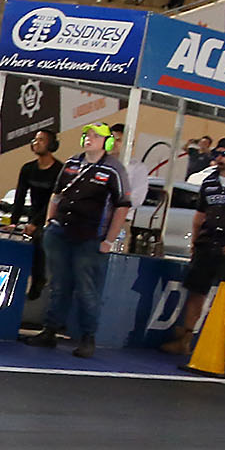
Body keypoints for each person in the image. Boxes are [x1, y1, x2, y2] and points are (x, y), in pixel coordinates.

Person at [28, 124, 133, 357]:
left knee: (87, 288)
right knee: (58, 284)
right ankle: (50, 330)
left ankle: (88, 336)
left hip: (91, 237)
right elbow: (57, 195)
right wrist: (49, 223)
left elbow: (122, 206)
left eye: (95, 136)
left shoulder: (114, 170)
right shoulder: (72, 163)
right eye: (87, 135)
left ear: (106, 142)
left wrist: (109, 240)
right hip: (61, 232)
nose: (89, 138)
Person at [158, 138, 225, 372]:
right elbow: (199, 216)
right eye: (217, 153)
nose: (220, 158)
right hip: (207, 245)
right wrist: (195, 243)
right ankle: (184, 340)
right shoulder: (208, 182)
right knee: (196, 292)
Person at [12, 129, 61, 299]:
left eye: (41, 140)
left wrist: (36, 223)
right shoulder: (28, 169)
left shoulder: (58, 170)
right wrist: (14, 222)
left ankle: (39, 281)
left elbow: (53, 201)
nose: (36, 143)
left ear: (51, 144)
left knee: (40, 241)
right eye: (35, 140)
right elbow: (20, 196)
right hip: (34, 214)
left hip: (52, 216)